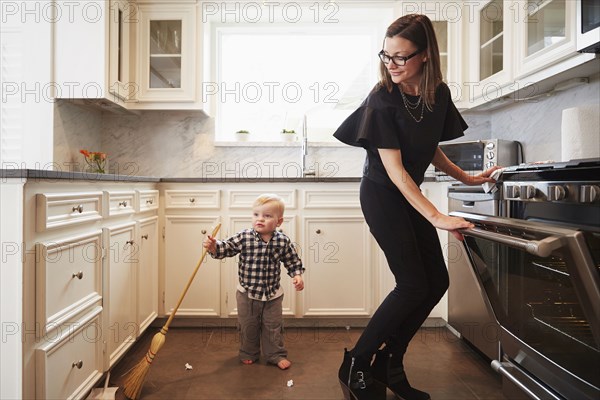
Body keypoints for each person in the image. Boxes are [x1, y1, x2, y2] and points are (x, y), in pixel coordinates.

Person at [333, 14, 501, 400]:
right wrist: (437, 215)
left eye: (400, 57)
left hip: (410, 196)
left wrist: (468, 177)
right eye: (386, 55)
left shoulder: (437, 94)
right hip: (382, 195)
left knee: (436, 282)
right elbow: (395, 171)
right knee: (411, 284)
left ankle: (390, 366)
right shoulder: (381, 98)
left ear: (425, 56)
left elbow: (430, 146)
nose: (390, 64)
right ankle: (356, 363)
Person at [203, 193, 304, 370]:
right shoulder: (244, 237)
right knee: (248, 325)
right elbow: (225, 248)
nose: (260, 219)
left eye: (267, 216)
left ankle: (275, 354)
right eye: (256, 215)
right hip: (247, 294)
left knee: (273, 327)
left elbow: (292, 261)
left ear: (279, 222)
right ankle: (249, 352)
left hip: (272, 295)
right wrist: (213, 246)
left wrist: (297, 275)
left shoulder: (282, 241)